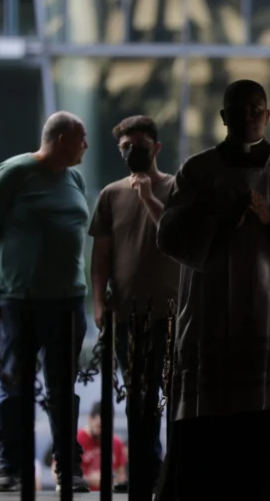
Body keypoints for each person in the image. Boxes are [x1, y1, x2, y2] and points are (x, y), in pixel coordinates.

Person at [154, 79, 270, 501]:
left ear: (268, 115)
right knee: (216, 430)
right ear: (224, 116)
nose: (249, 116)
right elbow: (168, 234)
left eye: (257, 108)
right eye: (239, 109)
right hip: (212, 310)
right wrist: (218, 217)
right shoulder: (198, 171)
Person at [0, 111, 91, 493]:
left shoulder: (75, 178)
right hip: (19, 299)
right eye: (81, 138)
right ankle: (10, 466)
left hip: (68, 300)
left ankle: (68, 467)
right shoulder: (15, 173)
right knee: (14, 385)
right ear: (62, 138)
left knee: (62, 388)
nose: (86, 145)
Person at [89, 115, 178, 486]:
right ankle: (145, 480)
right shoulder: (110, 194)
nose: (132, 153)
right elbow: (101, 256)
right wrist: (98, 301)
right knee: (139, 407)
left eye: (139, 146)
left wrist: (146, 195)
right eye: (125, 148)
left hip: (172, 316)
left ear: (156, 148)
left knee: (175, 402)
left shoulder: (176, 188)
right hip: (128, 317)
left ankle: (176, 479)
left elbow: (178, 237)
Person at [76, 401, 128, 491]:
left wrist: (113, 480)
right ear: (90, 419)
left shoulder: (116, 443)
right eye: (99, 426)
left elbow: (122, 476)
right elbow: (57, 473)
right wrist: (88, 479)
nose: (102, 431)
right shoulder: (77, 439)